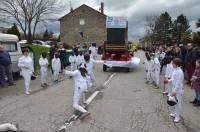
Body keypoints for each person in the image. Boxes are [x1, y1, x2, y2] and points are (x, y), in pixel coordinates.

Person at [168, 58, 184, 123]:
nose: (172, 64)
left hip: (178, 90)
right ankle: (175, 113)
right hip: (174, 88)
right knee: (175, 102)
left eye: (173, 63)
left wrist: (174, 91)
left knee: (178, 103)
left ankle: (178, 117)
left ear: (177, 64)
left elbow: (178, 82)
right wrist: (169, 80)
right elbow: (173, 78)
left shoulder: (180, 72)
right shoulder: (175, 70)